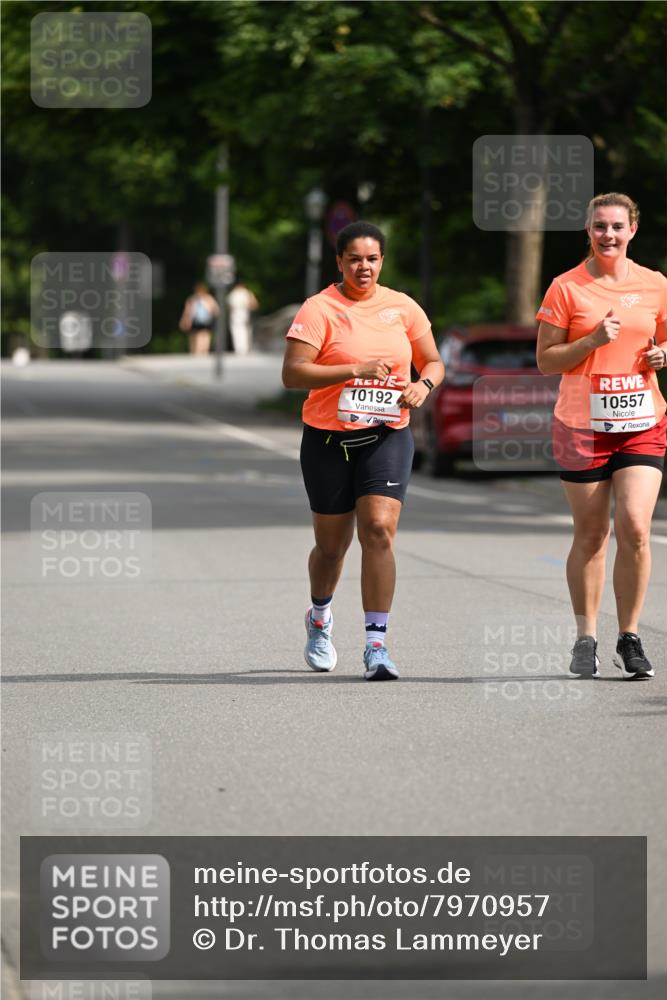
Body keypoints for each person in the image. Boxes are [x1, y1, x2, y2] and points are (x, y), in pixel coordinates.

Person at [282, 221, 444, 681]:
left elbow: (433, 360)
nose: (364, 267)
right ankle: (319, 617)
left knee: (378, 531)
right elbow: (293, 373)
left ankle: (377, 645)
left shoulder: (402, 307)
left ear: (382, 261)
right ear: (339, 262)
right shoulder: (319, 309)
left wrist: (423, 385)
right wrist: (354, 369)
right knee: (331, 548)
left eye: (372, 259)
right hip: (328, 441)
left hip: (387, 435)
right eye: (354, 259)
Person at [536, 192, 667, 681]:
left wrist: (663, 354)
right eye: (599, 227)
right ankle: (585, 637)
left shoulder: (655, 284)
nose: (607, 235)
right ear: (587, 232)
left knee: (635, 525)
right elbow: (546, 360)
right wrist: (592, 340)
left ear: (632, 229)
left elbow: (665, 336)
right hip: (581, 427)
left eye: (616, 226)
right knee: (592, 535)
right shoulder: (566, 287)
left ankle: (629, 636)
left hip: (641, 422)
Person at [179, 282, 220, 355]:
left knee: (196, 335)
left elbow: (187, 311)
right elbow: (216, 310)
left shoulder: (192, 299)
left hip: (196, 320)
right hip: (206, 320)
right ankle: (203, 351)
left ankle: (197, 351)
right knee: (204, 335)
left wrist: (184, 320)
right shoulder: (208, 298)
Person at [227, 282, 259, 355]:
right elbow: (255, 304)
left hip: (235, 315)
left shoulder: (233, 294)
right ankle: (245, 349)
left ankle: (239, 349)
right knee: (246, 331)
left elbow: (229, 307)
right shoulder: (247, 293)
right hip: (245, 314)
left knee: (236, 331)